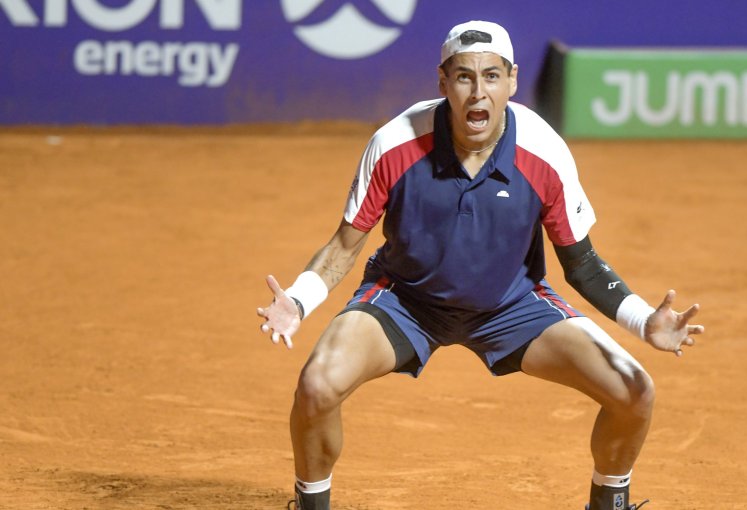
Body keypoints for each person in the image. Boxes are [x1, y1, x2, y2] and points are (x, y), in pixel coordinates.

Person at [256, 20, 703, 510]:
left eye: (491, 76)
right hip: (405, 301)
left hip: (512, 305)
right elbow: (344, 245)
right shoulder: (395, 143)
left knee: (635, 390)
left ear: (511, 81)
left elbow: (583, 264)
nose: (478, 92)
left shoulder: (544, 151)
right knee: (317, 384)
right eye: (464, 77)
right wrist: (298, 300)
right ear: (442, 82)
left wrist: (644, 321)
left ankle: (609, 505)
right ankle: (310, 503)